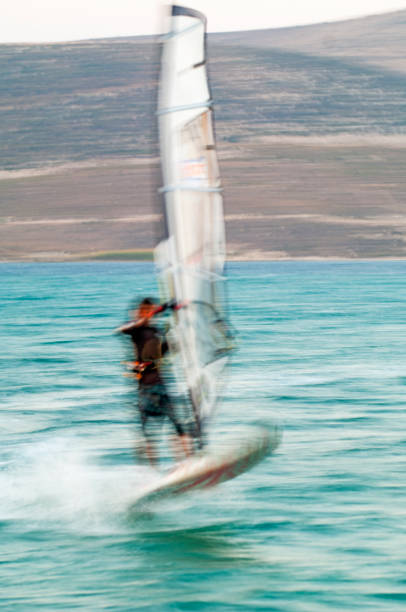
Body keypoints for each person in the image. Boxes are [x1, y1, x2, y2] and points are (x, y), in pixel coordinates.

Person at [116, 297, 191, 467]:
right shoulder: (135, 331)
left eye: (150, 311)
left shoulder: (156, 332)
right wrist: (160, 309)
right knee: (149, 434)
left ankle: (186, 464)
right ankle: (151, 472)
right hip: (146, 388)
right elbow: (122, 329)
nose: (149, 315)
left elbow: (167, 350)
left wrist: (181, 331)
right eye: (146, 311)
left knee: (179, 426)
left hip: (162, 384)